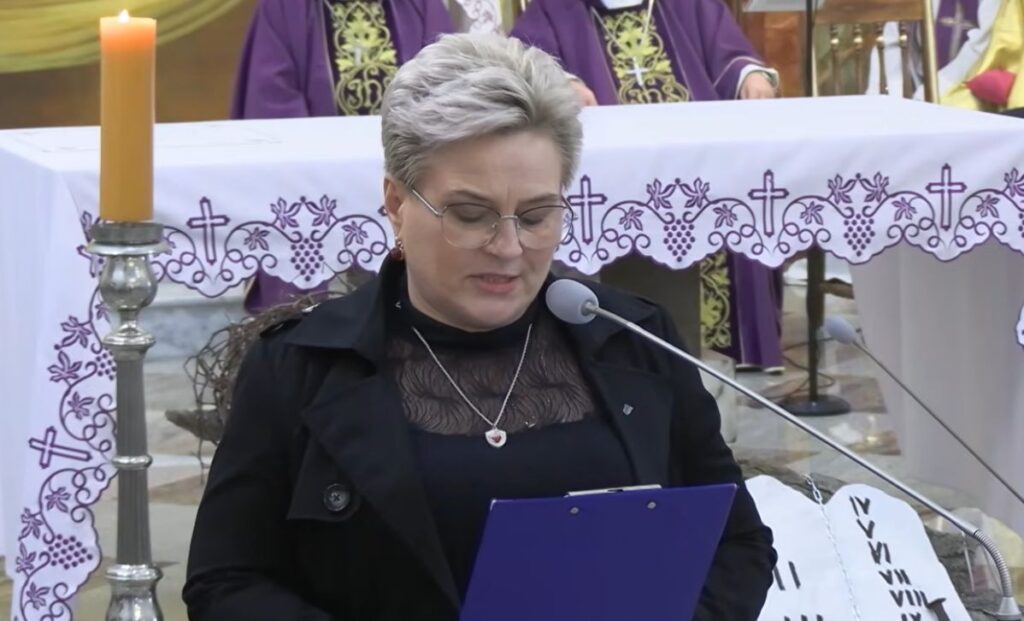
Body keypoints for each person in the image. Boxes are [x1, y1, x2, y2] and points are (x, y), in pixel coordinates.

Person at [184, 33, 775, 621]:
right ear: (396, 202)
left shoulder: (631, 339)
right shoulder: (300, 365)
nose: (509, 247)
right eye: (471, 215)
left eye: (537, 215)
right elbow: (226, 582)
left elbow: (737, 544)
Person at [511, 0, 785, 371]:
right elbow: (526, 58)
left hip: (699, 161)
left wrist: (750, 76)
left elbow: (729, 54)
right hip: (617, 173)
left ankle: (719, 351)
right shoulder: (557, 7)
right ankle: (625, 353)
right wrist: (564, 82)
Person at [231, 0, 454, 313]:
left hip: (407, 173)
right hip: (315, 184)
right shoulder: (285, 8)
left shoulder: (418, 5)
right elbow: (273, 104)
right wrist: (330, 167)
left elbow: (447, 86)